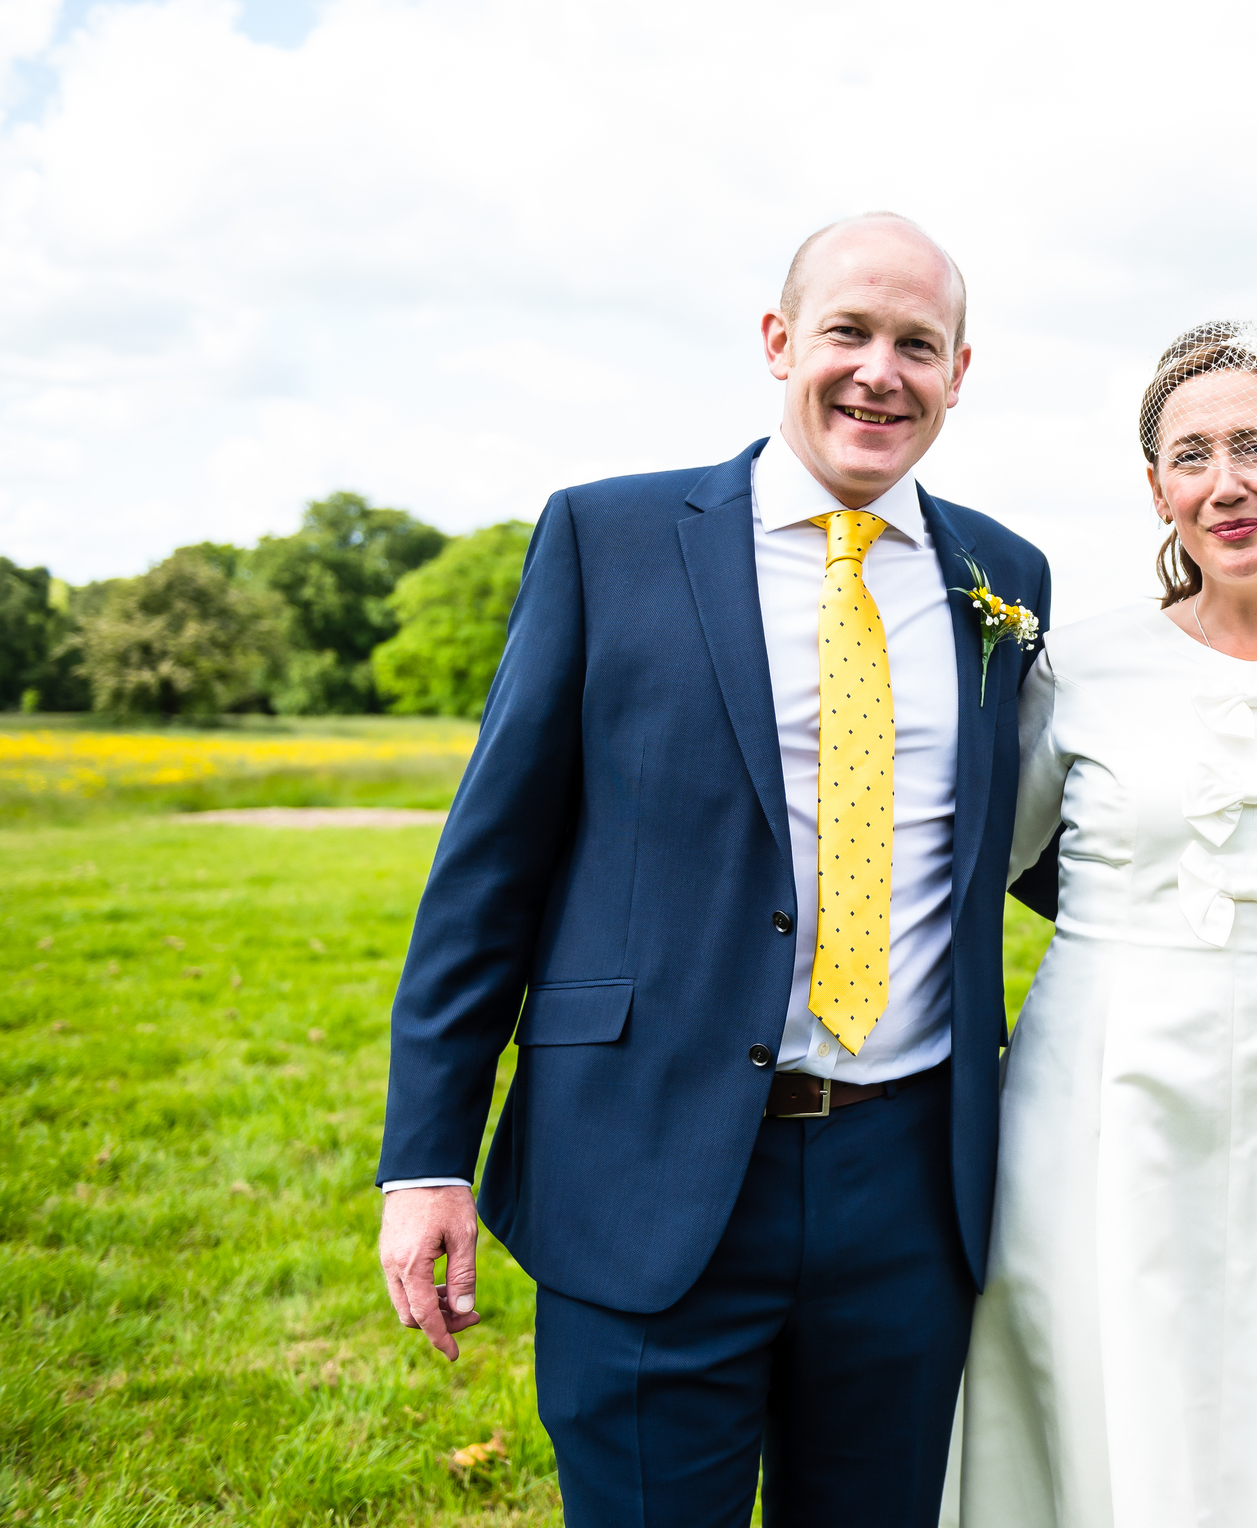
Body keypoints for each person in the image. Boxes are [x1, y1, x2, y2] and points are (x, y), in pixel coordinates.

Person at [373, 212, 1050, 1527]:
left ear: (962, 371)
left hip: (908, 1183)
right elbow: (487, 868)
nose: (880, 372)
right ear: (778, 340)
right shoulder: (608, 538)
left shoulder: (1002, 579)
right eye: (849, 331)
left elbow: (1046, 838)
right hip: (644, 1164)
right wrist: (426, 1161)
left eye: (920, 344)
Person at [958, 323, 1257, 1527]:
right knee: (1102, 1360)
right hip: (1103, 1090)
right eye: (1193, 455)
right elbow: (983, 862)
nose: (1228, 483)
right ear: (1157, 488)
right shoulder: (1085, 662)